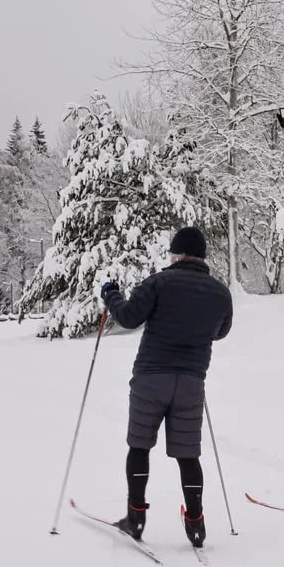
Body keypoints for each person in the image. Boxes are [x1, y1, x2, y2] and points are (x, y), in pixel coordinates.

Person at [99, 226, 233, 548]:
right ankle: (196, 524)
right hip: (190, 382)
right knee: (188, 455)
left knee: (140, 447)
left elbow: (129, 318)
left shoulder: (159, 283)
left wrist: (110, 294)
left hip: (150, 379)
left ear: (178, 254)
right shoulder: (220, 293)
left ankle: (136, 517)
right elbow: (221, 331)